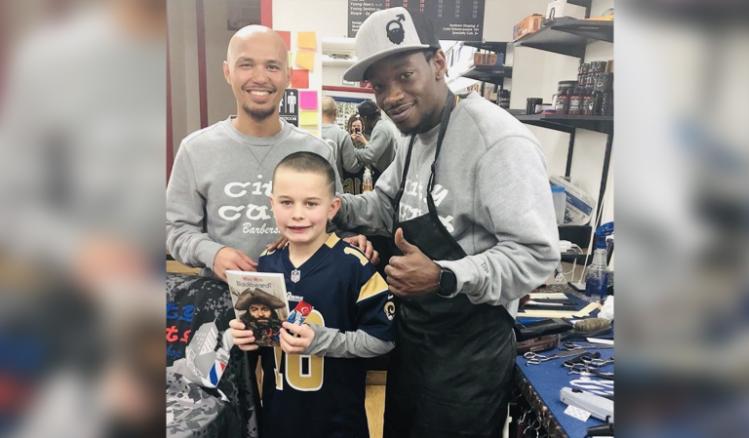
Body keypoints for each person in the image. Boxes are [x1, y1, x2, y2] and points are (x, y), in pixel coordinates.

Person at [336, 7, 560, 437]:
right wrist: (338, 208)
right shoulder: (413, 135)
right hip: (414, 345)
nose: (392, 96)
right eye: (380, 86)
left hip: (468, 364)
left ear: (438, 64)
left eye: (404, 75)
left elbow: (536, 257)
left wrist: (443, 276)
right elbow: (386, 205)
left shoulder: (498, 143)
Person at [166, 25, 376, 281]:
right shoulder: (195, 150)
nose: (260, 77)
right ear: (227, 72)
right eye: (246, 65)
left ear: (287, 76)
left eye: (272, 67)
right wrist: (213, 253)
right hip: (222, 302)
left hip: (305, 305)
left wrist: (349, 242)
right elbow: (175, 229)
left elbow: (331, 225)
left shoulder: (316, 150)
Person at [229, 151, 395, 438]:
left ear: (333, 207)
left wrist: (323, 341)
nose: (297, 214)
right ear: (272, 204)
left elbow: (384, 339)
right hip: (279, 418)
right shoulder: (267, 263)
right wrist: (245, 337)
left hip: (338, 423)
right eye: (286, 202)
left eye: (311, 203)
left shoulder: (354, 266)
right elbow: (264, 337)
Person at [350, 99, 397, 178]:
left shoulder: (381, 129)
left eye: (362, 120)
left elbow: (370, 155)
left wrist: (351, 151)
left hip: (385, 175)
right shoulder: (382, 126)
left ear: (365, 118)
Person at [320, 96, 362, 183]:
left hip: (312, 187)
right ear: (335, 113)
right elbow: (351, 167)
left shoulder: (309, 132)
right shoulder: (342, 135)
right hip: (334, 188)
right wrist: (363, 161)